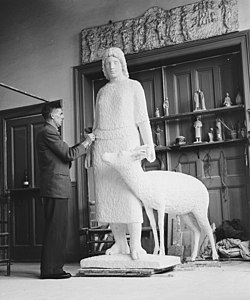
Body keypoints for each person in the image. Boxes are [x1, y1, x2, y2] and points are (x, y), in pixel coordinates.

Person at [92, 47, 155, 260]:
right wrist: (91, 150)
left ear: (122, 64)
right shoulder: (102, 91)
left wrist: (150, 145)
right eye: (107, 64)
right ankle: (119, 243)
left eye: (115, 63)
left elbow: (142, 119)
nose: (111, 67)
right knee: (109, 196)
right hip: (103, 145)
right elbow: (95, 124)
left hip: (126, 142)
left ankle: (135, 244)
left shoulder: (133, 87)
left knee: (129, 193)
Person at [36, 102, 95, 279]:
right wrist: (88, 141)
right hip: (55, 188)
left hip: (56, 188)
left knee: (57, 229)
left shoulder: (49, 133)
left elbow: (66, 152)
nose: (62, 117)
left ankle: (52, 268)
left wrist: (83, 143)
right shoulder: (48, 132)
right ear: (52, 115)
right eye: (60, 114)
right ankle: (51, 270)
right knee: (56, 230)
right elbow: (68, 155)